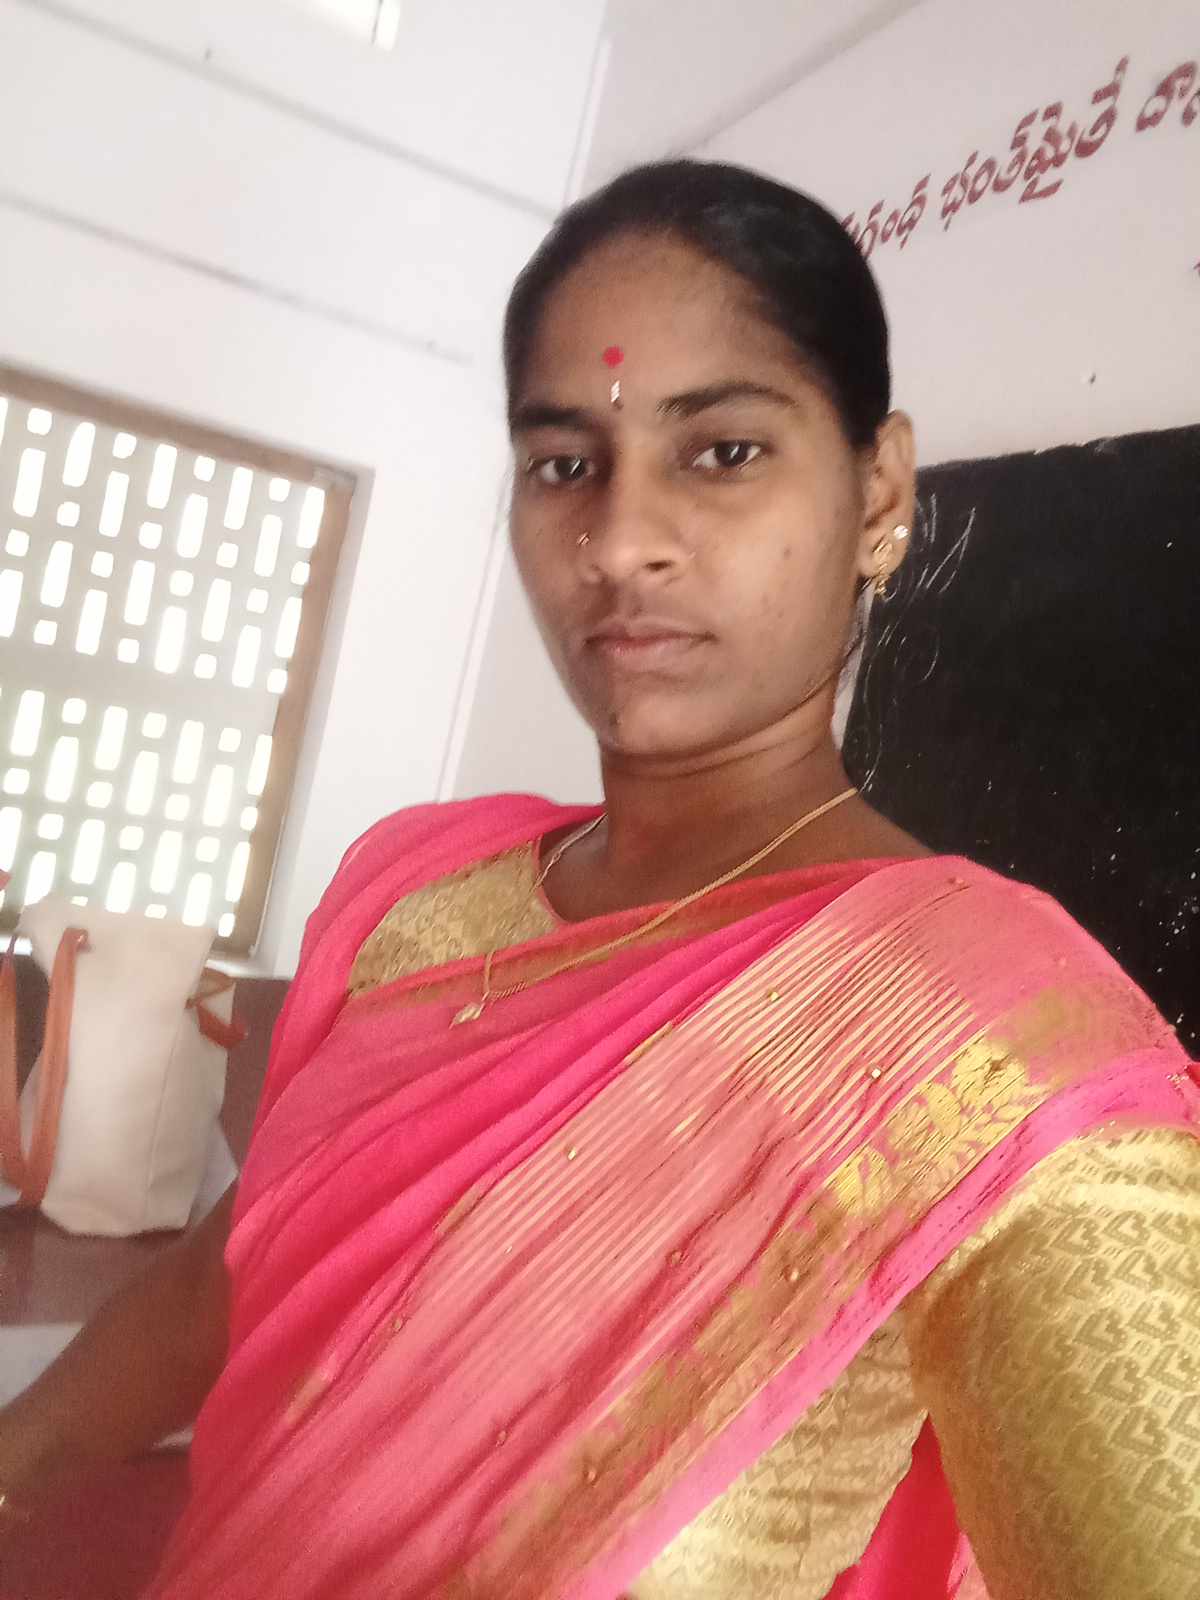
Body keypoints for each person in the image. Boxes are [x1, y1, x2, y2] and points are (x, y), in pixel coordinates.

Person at [2, 160, 1198, 1600]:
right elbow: (237, 1265)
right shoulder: (417, 887)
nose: (620, 543)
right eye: (564, 464)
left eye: (724, 451)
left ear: (880, 493)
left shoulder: (991, 1047)